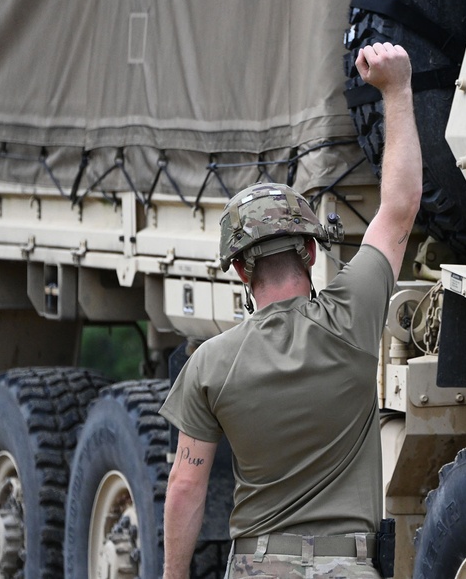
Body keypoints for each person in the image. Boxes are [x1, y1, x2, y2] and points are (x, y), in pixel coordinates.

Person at [159, 42, 421, 579]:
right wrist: (397, 89)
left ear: (239, 271)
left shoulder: (211, 364)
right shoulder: (352, 319)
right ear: (309, 251)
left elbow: (186, 485)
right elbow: (398, 210)